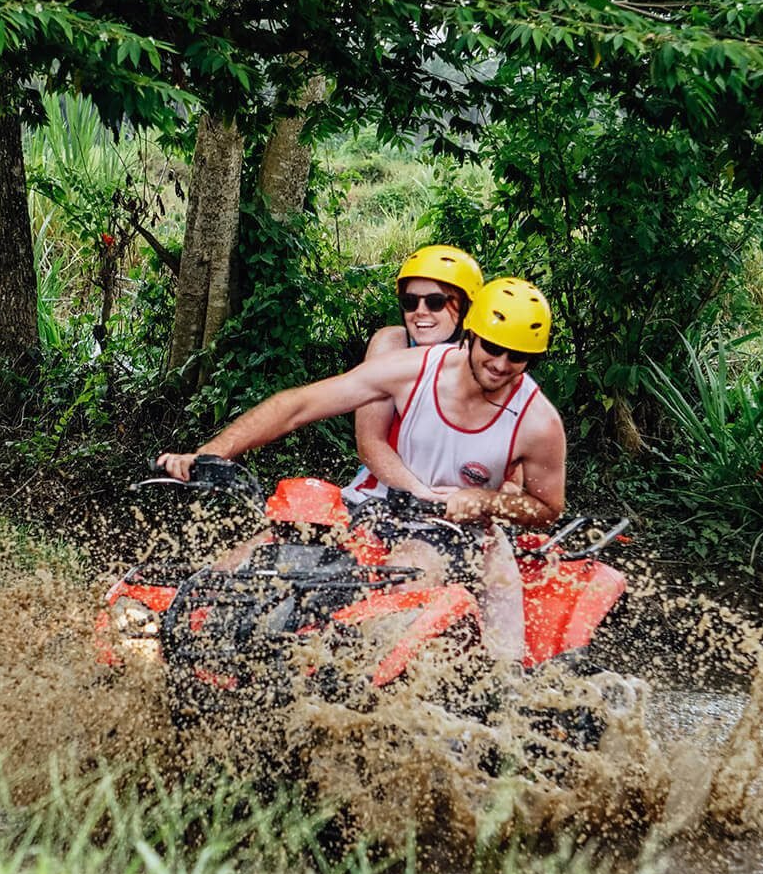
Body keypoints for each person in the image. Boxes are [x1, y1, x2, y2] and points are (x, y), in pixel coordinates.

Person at [157, 277, 566, 659]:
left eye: (519, 356)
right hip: (372, 506)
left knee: (399, 583)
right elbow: (298, 406)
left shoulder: (538, 423)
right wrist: (210, 454)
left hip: (449, 531)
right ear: (472, 335)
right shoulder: (415, 370)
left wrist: (482, 500)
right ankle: (191, 639)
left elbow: (548, 508)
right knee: (263, 550)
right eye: (493, 348)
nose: (501, 363)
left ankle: (357, 681)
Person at [344, 244, 484, 506]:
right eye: (410, 302)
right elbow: (369, 442)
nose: (420, 311)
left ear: (466, 308)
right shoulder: (391, 344)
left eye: (436, 302)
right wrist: (418, 490)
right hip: (380, 491)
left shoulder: (484, 362)